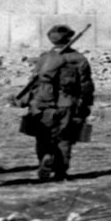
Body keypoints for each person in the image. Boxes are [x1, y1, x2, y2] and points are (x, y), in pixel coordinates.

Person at [21, 24, 94, 182]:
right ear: (69, 38)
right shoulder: (79, 59)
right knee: (65, 137)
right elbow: (86, 86)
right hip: (67, 103)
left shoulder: (44, 58)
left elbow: (34, 81)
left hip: (43, 103)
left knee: (43, 136)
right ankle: (61, 172)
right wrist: (86, 107)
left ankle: (45, 158)